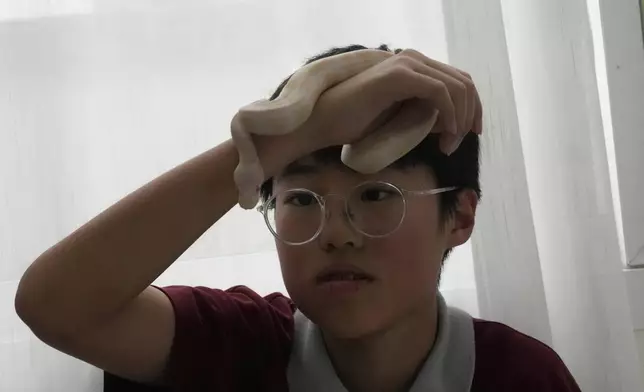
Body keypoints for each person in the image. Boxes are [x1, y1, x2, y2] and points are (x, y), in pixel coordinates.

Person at [14, 44, 581, 392]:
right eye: (302, 200)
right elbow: (56, 305)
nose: (335, 234)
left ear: (459, 215)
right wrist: (292, 134)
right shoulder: (242, 348)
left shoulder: (520, 376)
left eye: (377, 196)